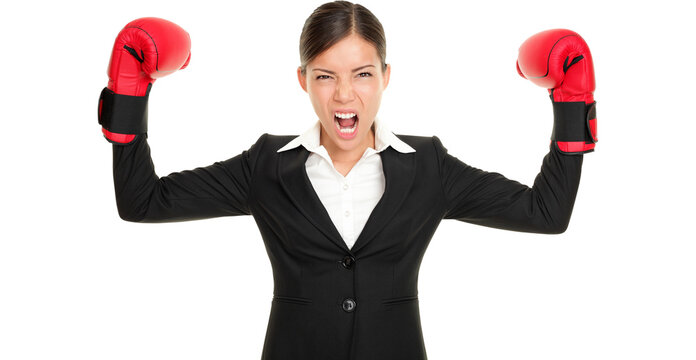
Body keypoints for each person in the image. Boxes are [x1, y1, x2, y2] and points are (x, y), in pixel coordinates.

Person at [97, 1, 597, 359]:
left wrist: (571, 106)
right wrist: (129, 95)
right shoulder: (266, 164)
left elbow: (546, 214)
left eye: (361, 74)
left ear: (385, 76)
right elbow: (143, 201)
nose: (343, 96)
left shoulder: (428, 165)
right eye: (324, 75)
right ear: (303, 80)